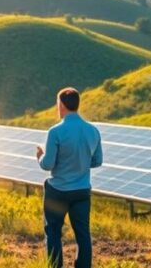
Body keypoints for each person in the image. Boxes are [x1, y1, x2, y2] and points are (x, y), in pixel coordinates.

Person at [36, 87, 103, 268]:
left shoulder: (55, 132)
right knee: (83, 235)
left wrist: (40, 156)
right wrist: (79, 162)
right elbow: (97, 161)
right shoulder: (93, 131)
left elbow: (47, 165)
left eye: (58, 105)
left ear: (62, 105)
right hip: (82, 191)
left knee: (53, 233)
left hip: (57, 191)